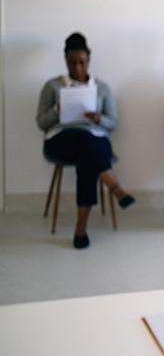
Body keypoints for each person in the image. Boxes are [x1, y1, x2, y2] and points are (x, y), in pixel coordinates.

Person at [36, 32, 135, 249]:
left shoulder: (102, 88)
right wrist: (57, 109)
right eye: (72, 63)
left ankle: (81, 228)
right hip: (61, 141)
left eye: (81, 62)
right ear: (66, 61)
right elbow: (41, 123)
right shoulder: (52, 86)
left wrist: (99, 118)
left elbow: (113, 123)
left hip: (94, 141)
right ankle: (115, 188)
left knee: (88, 150)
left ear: (88, 60)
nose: (78, 68)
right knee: (85, 142)